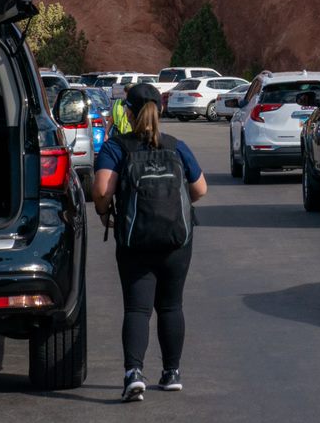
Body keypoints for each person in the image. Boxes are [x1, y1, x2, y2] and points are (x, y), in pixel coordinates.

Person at [93, 83, 207, 402]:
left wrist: (105, 214)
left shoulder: (117, 147)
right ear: (160, 110)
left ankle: (134, 374)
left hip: (135, 238)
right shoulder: (176, 146)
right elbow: (200, 190)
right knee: (171, 305)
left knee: (137, 307)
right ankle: (171, 373)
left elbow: (102, 190)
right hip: (176, 240)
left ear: (128, 112)